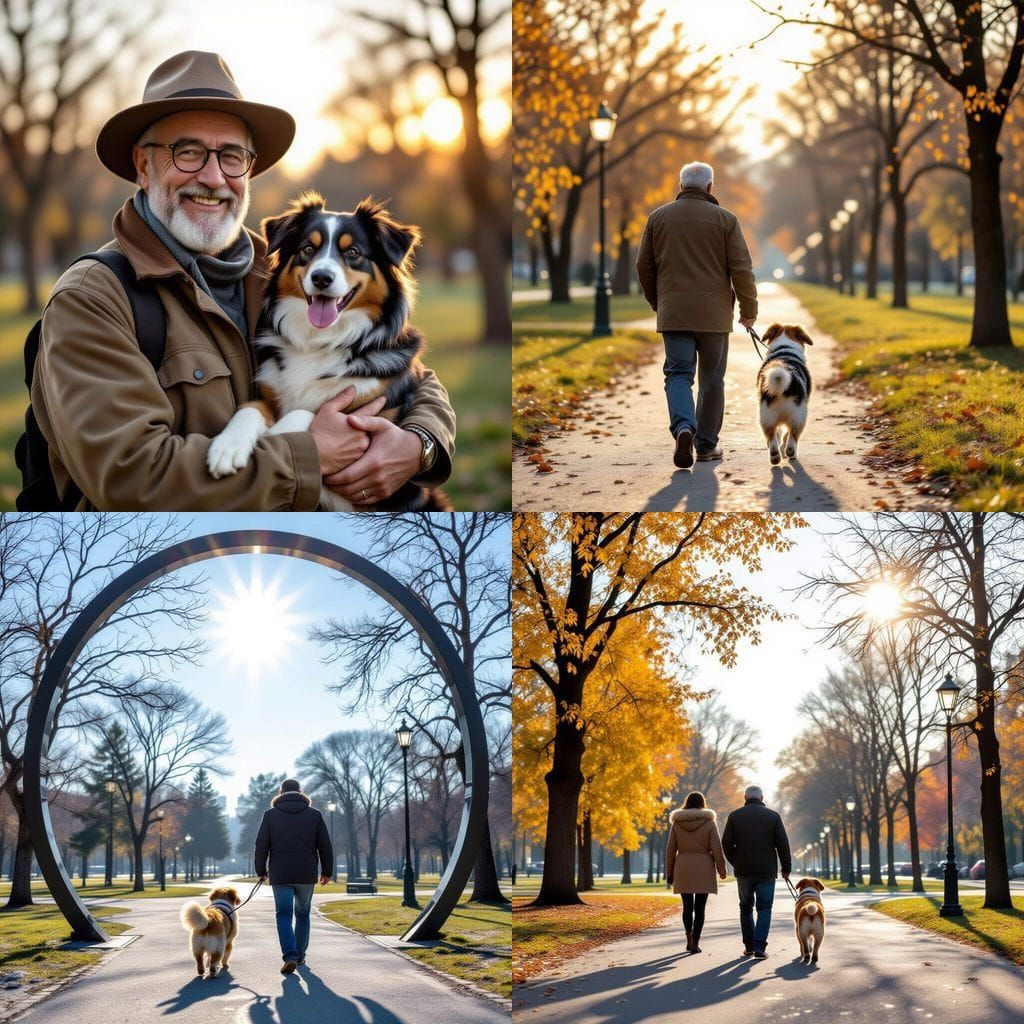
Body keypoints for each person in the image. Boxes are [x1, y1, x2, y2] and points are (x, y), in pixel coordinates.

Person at [30, 50, 455, 510]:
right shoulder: (93, 298)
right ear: (143, 165)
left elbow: (409, 374)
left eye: (232, 156)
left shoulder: (277, 271)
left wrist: (419, 445)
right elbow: (131, 479)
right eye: (187, 152)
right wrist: (308, 455)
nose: (213, 178)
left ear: (248, 170)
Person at [635, 161, 758, 470]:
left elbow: (643, 267)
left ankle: (683, 427)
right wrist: (749, 311)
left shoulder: (657, 219)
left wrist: (657, 302)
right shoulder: (726, 220)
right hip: (715, 316)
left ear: (681, 186)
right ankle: (705, 447)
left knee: (678, 374)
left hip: (674, 312)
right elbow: (741, 269)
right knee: (712, 380)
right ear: (709, 187)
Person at [254, 778, 333, 974]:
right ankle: (300, 956)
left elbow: (261, 845)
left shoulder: (270, 815)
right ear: (300, 792)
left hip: (281, 873)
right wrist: (327, 871)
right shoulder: (314, 815)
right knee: (303, 914)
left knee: (283, 914)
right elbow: (325, 845)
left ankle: (289, 955)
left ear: (280, 793)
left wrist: (260, 870)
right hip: (306, 872)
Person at [720, 784, 792, 959]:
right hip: (766, 870)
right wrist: (786, 868)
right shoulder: (773, 816)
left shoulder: (735, 816)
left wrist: (735, 861)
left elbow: (726, 843)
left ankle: (749, 946)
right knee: (764, 908)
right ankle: (759, 947)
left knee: (745, 908)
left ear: (745, 798)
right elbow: (783, 844)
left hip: (743, 870)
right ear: (762, 798)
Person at [665, 790, 728, 954]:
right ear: (702, 804)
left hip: (683, 866)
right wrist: (722, 869)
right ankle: (695, 942)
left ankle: (688, 937)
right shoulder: (709, 822)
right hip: (703, 867)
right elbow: (716, 848)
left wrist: (669, 873)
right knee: (700, 908)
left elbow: (670, 849)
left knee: (687, 907)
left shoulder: (677, 823)